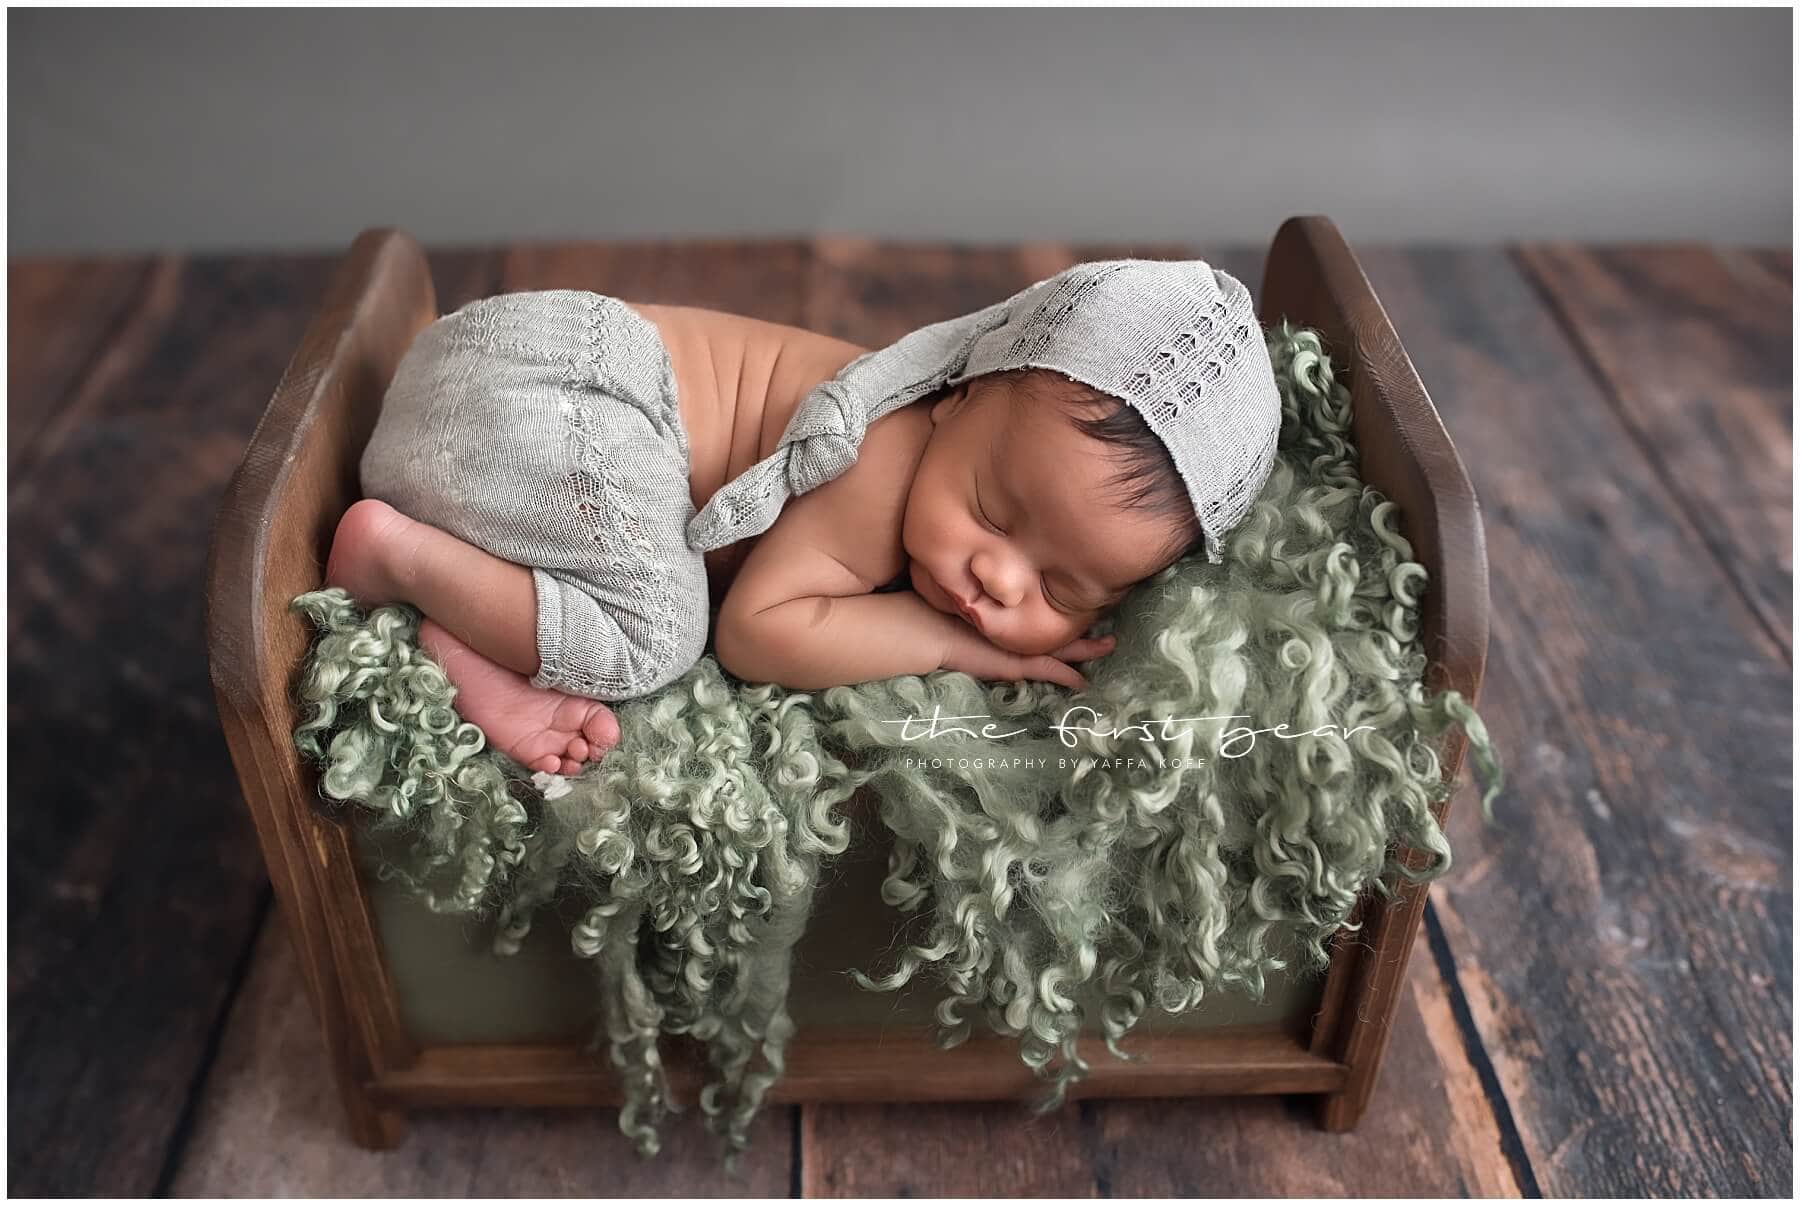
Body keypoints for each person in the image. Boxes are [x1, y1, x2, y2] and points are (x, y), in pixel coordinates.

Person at [325, 260, 1282, 777]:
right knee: (660, 634)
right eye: (993, 510)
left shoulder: (964, 443)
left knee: (630, 579)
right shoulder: (888, 453)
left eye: (1062, 586)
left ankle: (455, 634)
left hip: (497, 400)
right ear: (958, 392)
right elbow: (758, 632)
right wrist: (945, 645)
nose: (998, 576)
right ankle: (394, 558)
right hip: (554, 394)